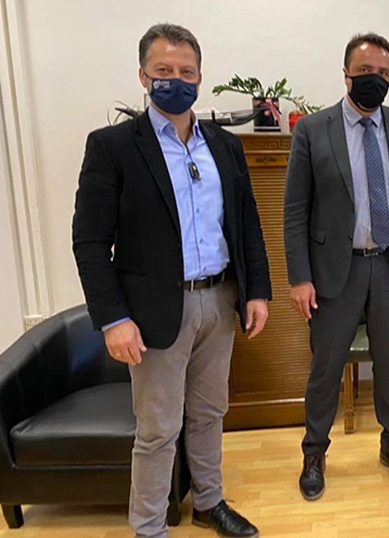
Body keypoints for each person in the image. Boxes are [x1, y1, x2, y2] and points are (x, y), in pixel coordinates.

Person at [72, 23, 270, 538]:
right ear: (143, 76)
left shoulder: (224, 146)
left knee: (209, 412)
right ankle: (148, 528)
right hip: (154, 312)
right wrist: (113, 319)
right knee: (158, 429)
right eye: (163, 70)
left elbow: (246, 223)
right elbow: (90, 242)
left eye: (186, 71)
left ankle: (208, 502)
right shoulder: (113, 147)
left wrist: (257, 292)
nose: (175, 80)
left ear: (200, 77)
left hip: (219, 299)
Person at [284, 32, 389, 501]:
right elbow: (295, 209)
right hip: (336, 270)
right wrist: (299, 277)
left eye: (384, 73)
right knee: (326, 366)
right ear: (346, 73)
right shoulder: (314, 130)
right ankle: (314, 452)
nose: (375, 79)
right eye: (366, 71)